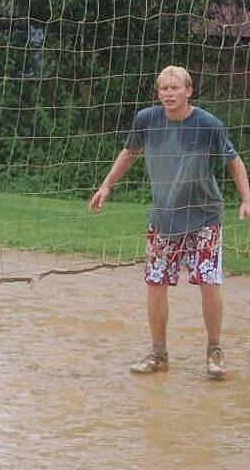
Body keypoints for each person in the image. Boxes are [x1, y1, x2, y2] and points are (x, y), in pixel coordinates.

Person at [89, 65, 250, 377]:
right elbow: (128, 153)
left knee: (209, 281)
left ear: (188, 91)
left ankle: (214, 351)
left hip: (205, 217)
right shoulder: (147, 120)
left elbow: (234, 161)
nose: (169, 94)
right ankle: (158, 353)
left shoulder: (207, 124)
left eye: (175, 88)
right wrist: (106, 185)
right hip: (164, 219)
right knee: (155, 283)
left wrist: (246, 198)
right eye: (164, 89)